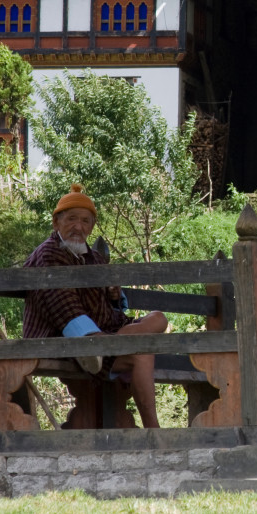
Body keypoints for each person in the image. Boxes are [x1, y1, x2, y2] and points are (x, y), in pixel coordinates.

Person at [22, 183, 168, 428]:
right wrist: (92, 337)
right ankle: (154, 432)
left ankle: (111, 345)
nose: (78, 227)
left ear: (91, 227)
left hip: (105, 333)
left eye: (85, 221)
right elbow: (61, 305)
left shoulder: (94, 256)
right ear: (56, 222)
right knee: (142, 353)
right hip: (65, 338)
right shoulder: (48, 253)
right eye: (71, 219)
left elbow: (110, 308)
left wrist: (112, 294)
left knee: (159, 318)